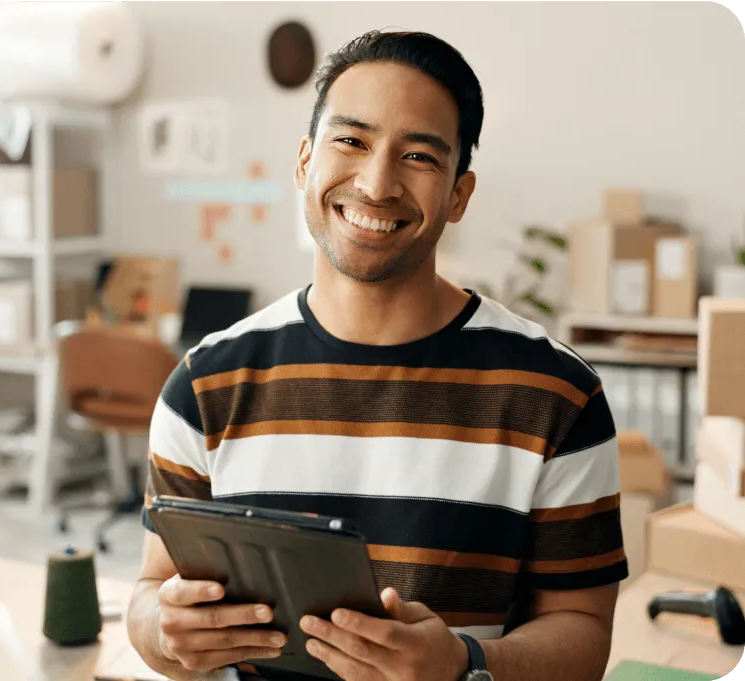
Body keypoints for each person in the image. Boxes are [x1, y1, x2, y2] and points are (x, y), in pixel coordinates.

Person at [127, 29, 627, 681]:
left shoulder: (556, 395)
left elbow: (583, 634)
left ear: (458, 194)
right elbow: (149, 591)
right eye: (351, 140)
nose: (376, 181)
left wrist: (464, 664)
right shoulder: (203, 384)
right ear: (306, 162)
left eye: (418, 155)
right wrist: (165, 631)